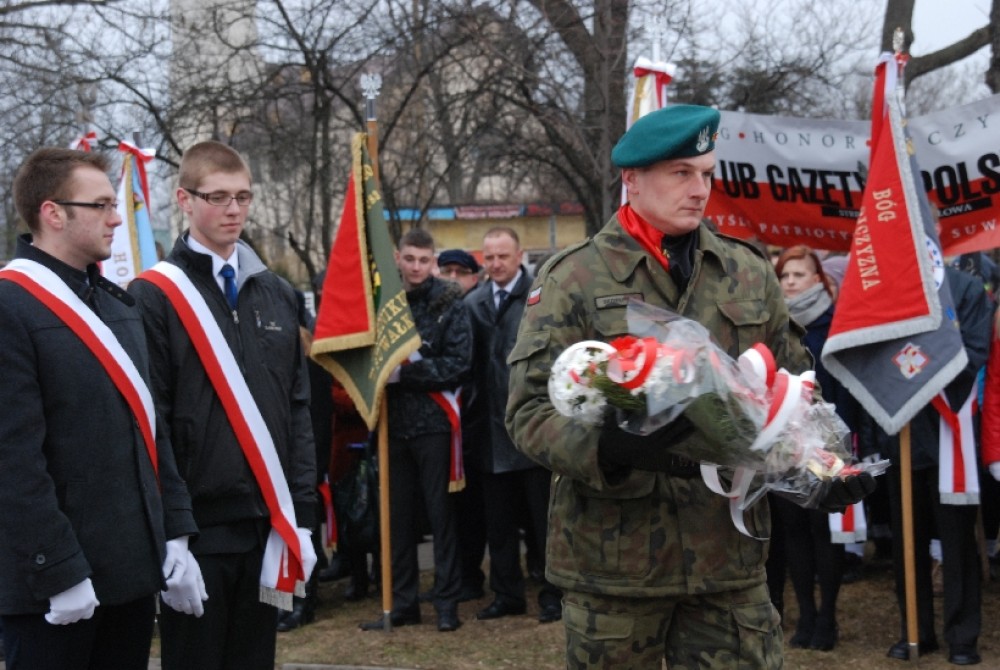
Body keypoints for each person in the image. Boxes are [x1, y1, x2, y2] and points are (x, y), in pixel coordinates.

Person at [505, 105, 876, 669]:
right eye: (681, 173)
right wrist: (607, 448)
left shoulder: (746, 270)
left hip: (727, 559)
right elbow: (528, 411)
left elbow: (796, 387)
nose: (700, 189)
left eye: (706, 173)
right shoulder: (572, 277)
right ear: (632, 179)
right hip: (616, 561)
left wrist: (821, 466)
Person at [0, 147, 201, 669]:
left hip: (128, 574)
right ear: (53, 213)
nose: (116, 218)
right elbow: (13, 462)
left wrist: (176, 533)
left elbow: (150, 429)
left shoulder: (116, 305)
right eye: (102, 205)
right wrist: (57, 568)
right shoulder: (10, 306)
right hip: (52, 591)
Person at [129, 140, 317, 670]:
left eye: (243, 197)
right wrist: (173, 531)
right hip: (200, 531)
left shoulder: (276, 292)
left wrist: (302, 515)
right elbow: (154, 422)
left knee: (256, 660)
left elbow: (298, 409)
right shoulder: (153, 296)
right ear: (184, 200)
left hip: (269, 524)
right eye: (218, 197)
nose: (234, 210)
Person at [859, 262, 991, 665]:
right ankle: (915, 631)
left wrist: (915, 367)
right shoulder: (888, 287)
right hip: (901, 430)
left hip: (950, 432)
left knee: (957, 541)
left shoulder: (965, 287)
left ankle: (962, 635)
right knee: (907, 539)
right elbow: (872, 353)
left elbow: (975, 351)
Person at [359, 228, 472, 633]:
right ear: (398, 259)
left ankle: (447, 603)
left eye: (424, 260)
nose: (416, 267)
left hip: (434, 425)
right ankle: (403, 603)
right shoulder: (384, 302)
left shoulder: (449, 302)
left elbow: (459, 363)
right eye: (409, 259)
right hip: (392, 426)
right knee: (397, 520)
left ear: (433, 262)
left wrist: (404, 376)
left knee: (442, 519)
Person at [464, 227, 562, 624]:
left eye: (503, 256)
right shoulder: (473, 303)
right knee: (498, 523)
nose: (496, 264)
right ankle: (507, 593)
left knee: (543, 521)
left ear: (519, 255)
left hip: (533, 426)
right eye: (489, 257)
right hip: (488, 428)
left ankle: (554, 594)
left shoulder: (541, 297)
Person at [772, 244, 860, 651]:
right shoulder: (773, 326)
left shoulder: (836, 326)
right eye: (784, 275)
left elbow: (847, 388)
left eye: (799, 274)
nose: (790, 282)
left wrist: (841, 445)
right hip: (784, 445)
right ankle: (805, 615)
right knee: (794, 531)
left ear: (817, 279)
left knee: (824, 530)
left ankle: (828, 618)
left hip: (828, 444)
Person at [437, 248, 488, 603]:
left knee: (475, 509)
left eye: (461, 272)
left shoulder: (478, 309)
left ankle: (472, 575)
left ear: (474, 277)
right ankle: (455, 575)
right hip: (441, 422)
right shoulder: (435, 308)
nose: (453, 278)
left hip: (475, 421)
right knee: (449, 509)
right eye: (447, 271)